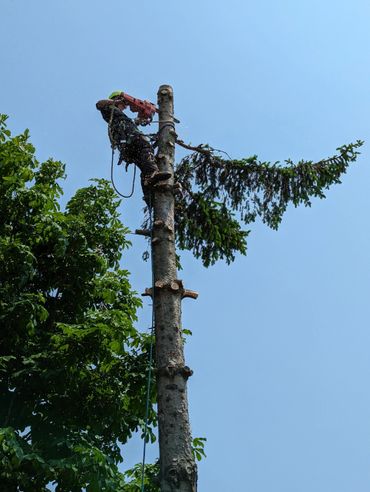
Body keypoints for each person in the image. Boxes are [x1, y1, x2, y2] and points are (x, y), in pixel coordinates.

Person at [96, 92, 171, 200]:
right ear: (117, 99)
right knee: (145, 147)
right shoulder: (109, 109)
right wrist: (118, 101)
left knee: (144, 164)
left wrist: (140, 119)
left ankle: (149, 193)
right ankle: (152, 175)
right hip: (130, 139)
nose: (126, 106)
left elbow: (129, 123)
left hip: (128, 145)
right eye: (124, 104)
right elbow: (99, 104)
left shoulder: (119, 115)